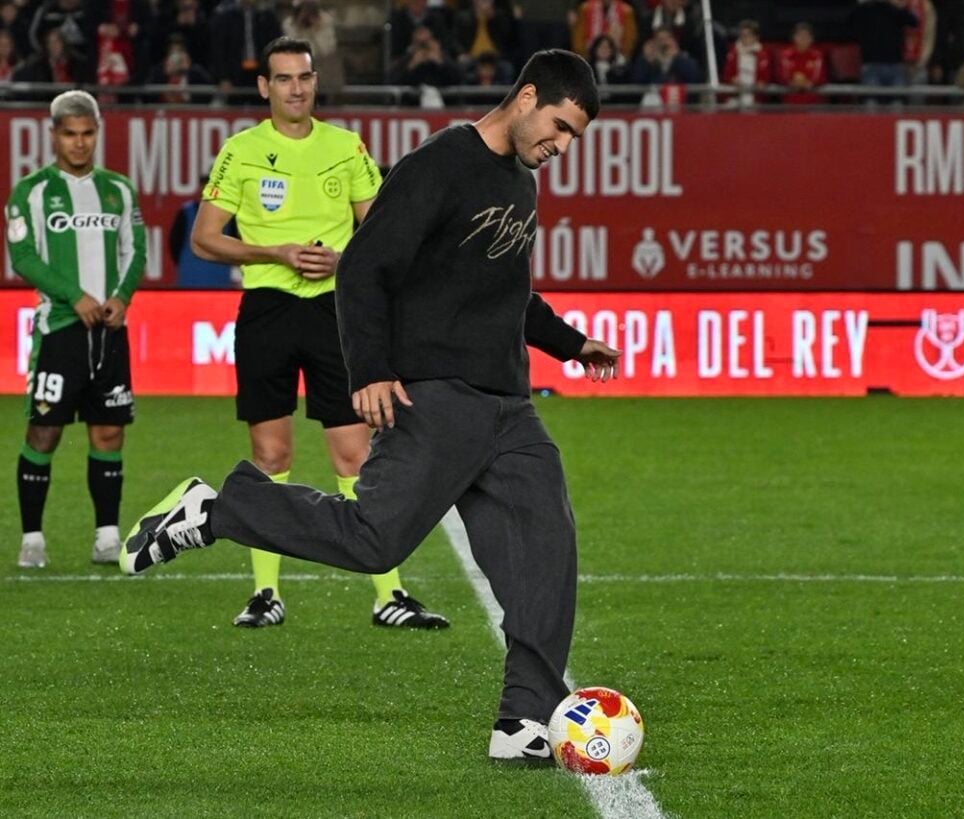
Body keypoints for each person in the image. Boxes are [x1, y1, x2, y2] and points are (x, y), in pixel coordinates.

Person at [122, 48, 620, 761]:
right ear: (527, 95)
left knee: (549, 547)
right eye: (561, 126)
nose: (562, 145)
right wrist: (372, 370)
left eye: (574, 136)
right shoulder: (437, 165)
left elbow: (510, 295)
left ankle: (525, 720)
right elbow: (363, 267)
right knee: (373, 538)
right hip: (436, 396)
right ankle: (220, 508)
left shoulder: (520, 182)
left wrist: (573, 345)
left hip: (508, 408)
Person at [187, 36, 448, 631]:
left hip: (335, 313)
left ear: (313, 81)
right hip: (268, 309)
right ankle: (264, 593)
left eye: (303, 77)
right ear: (265, 87)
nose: (296, 88)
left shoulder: (344, 145)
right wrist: (273, 251)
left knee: (355, 454)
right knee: (270, 454)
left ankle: (389, 594)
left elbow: (380, 233)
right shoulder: (242, 151)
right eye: (283, 79)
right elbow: (205, 237)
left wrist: (344, 262)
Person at [5, 90, 146, 568]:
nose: (80, 144)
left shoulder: (120, 190)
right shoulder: (32, 193)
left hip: (110, 331)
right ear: (54, 136)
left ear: (97, 133)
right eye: (70, 134)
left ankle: (107, 536)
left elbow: (135, 250)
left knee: (109, 433)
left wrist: (122, 296)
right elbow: (23, 257)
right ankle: (32, 539)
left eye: (88, 134)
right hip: (60, 329)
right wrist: (74, 295)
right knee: (44, 431)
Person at [777, 22, 826, 105]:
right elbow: (782, 76)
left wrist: (807, 83)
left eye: (806, 36)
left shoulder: (818, 56)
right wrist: (793, 83)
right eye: (799, 36)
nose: (803, 39)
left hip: (813, 103)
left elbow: (820, 77)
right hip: (789, 102)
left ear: (811, 39)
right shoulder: (785, 55)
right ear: (794, 37)